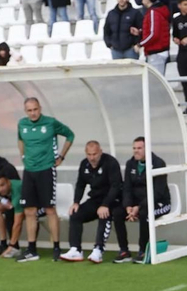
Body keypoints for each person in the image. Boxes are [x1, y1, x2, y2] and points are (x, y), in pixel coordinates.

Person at [15, 97, 75, 262]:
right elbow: (20, 140)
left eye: (35, 109)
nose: (33, 113)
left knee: (49, 209)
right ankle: (32, 249)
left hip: (47, 170)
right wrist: (23, 156)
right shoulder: (22, 124)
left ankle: (56, 247)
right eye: (29, 110)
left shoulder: (51, 123)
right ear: (25, 111)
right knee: (29, 210)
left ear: (40, 108)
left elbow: (70, 135)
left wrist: (61, 156)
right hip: (29, 171)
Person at [61, 140, 125, 263]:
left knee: (104, 214)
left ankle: (98, 250)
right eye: (89, 154)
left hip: (113, 200)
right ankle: (76, 250)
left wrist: (106, 204)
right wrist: (76, 202)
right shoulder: (84, 164)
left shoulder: (111, 162)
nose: (92, 158)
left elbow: (116, 186)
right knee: (75, 214)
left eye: (94, 154)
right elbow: (80, 184)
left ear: (100, 152)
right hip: (95, 199)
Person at [121, 136, 170, 263]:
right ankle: (124, 250)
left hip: (160, 203)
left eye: (139, 148)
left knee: (145, 214)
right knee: (116, 212)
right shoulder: (130, 163)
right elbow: (126, 188)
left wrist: (139, 207)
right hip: (137, 205)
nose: (136, 151)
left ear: (147, 149)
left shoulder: (158, 163)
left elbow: (157, 192)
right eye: (134, 148)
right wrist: (128, 207)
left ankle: (143, 251)